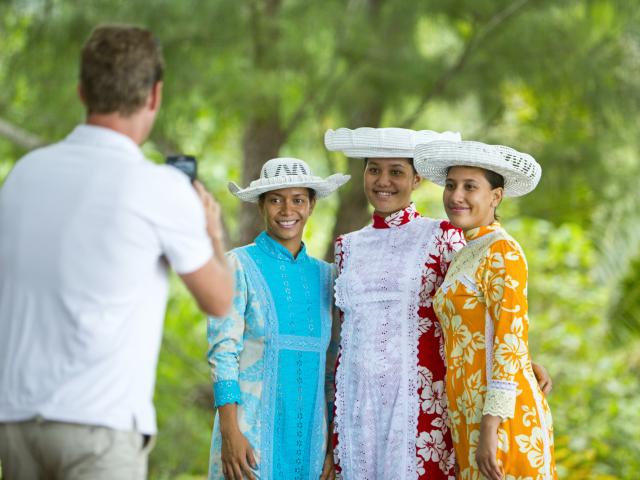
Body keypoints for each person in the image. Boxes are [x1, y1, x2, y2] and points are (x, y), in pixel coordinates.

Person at [0, 25, 233, 480]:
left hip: (17, 420)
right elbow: (220, 299)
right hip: (100, 430)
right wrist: (213, 234)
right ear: (154, 96)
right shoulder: (158, 187)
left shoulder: (24, 175)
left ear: (82, 91)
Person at [324, 127, 552, 480]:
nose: (383, 180)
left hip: (425, 406)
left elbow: (501, 312)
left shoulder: (446, 236)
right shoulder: (347, 246)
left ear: (416, 178)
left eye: (396, 171)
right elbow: (473, 312)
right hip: (364, 403)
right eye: (373, 169)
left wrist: (521, 361)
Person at [414, 140, 556, 480]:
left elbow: (508, 341)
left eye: (470, 187)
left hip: (501, 420)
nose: (456, 196)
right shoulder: (467, 251)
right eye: (451, 185)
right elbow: (490, 330)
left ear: (496, 196)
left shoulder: (503, 251)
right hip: (466, 413)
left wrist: (491, 428)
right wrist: (526, 359)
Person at [207, 157, 349, 480]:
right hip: (249, 443)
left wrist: (331, 448)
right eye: (276, 200)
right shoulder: (237, 266)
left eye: (298, 199)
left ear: (312, 205)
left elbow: (332, 369)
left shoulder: (328, 278)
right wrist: (230, 434)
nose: (288, 210)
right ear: (261, 206)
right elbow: (222, 353)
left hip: (312, 445)